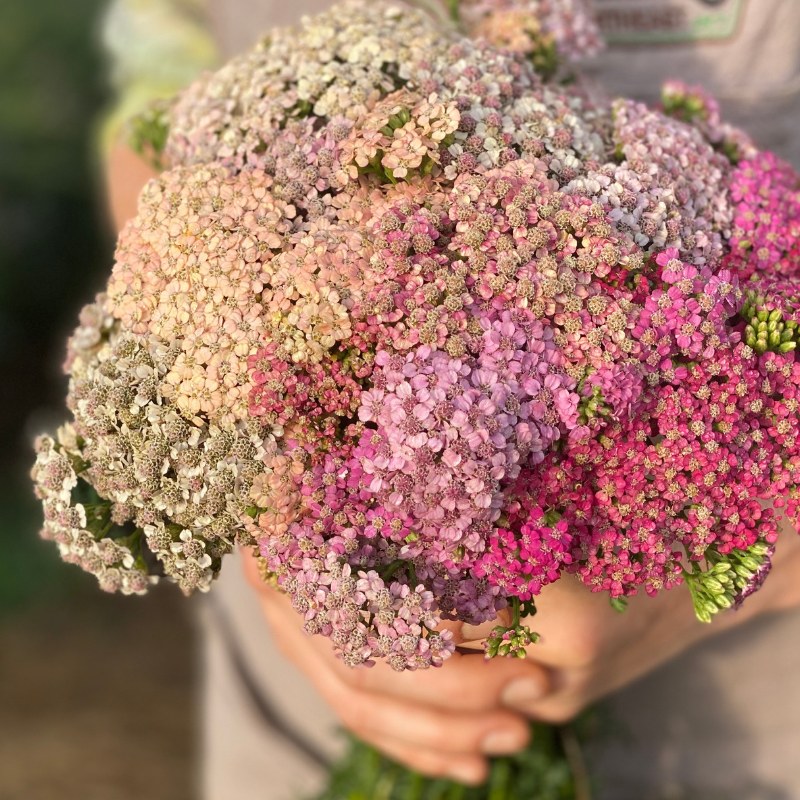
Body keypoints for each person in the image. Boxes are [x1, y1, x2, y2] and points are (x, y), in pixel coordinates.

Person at [102, 2, 800, 798]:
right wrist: (276, 511)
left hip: (737, 743)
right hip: (292, 722)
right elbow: (152, 71)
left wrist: (751, 552)